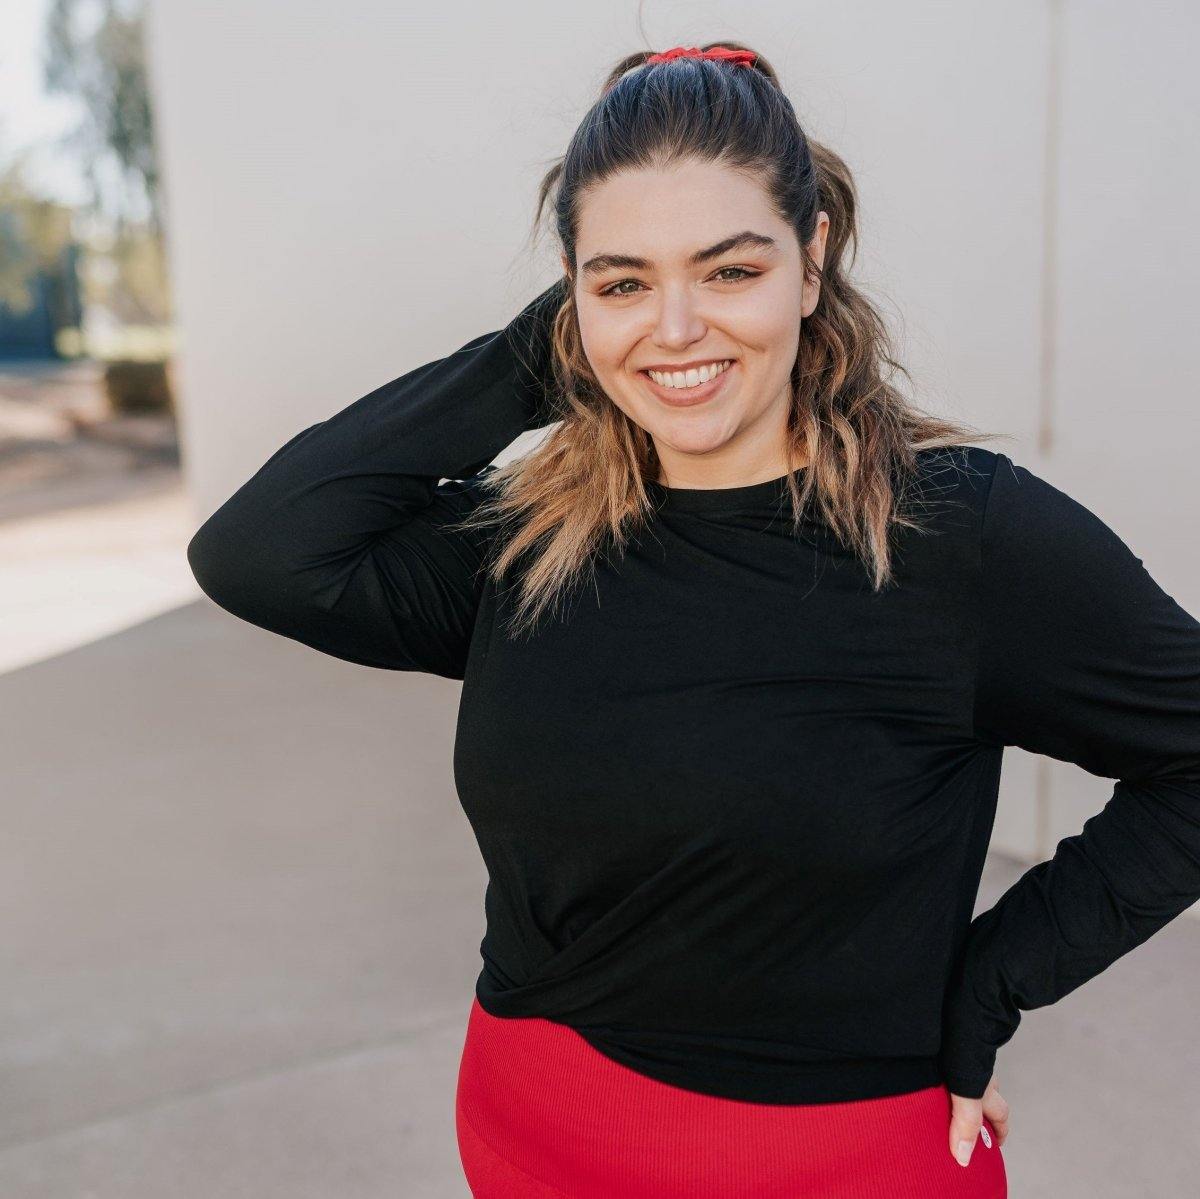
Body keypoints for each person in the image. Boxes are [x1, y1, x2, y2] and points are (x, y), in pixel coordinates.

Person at [186, 42, 1200, 1199]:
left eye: (728, 271)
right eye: (622, 281)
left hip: (836, 1162)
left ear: (812, 263)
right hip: (529, 1134)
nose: (675, 329)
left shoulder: (958, 540)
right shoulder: (535, 542)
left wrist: (990, 982)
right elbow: (260, 549)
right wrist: (553, 347)